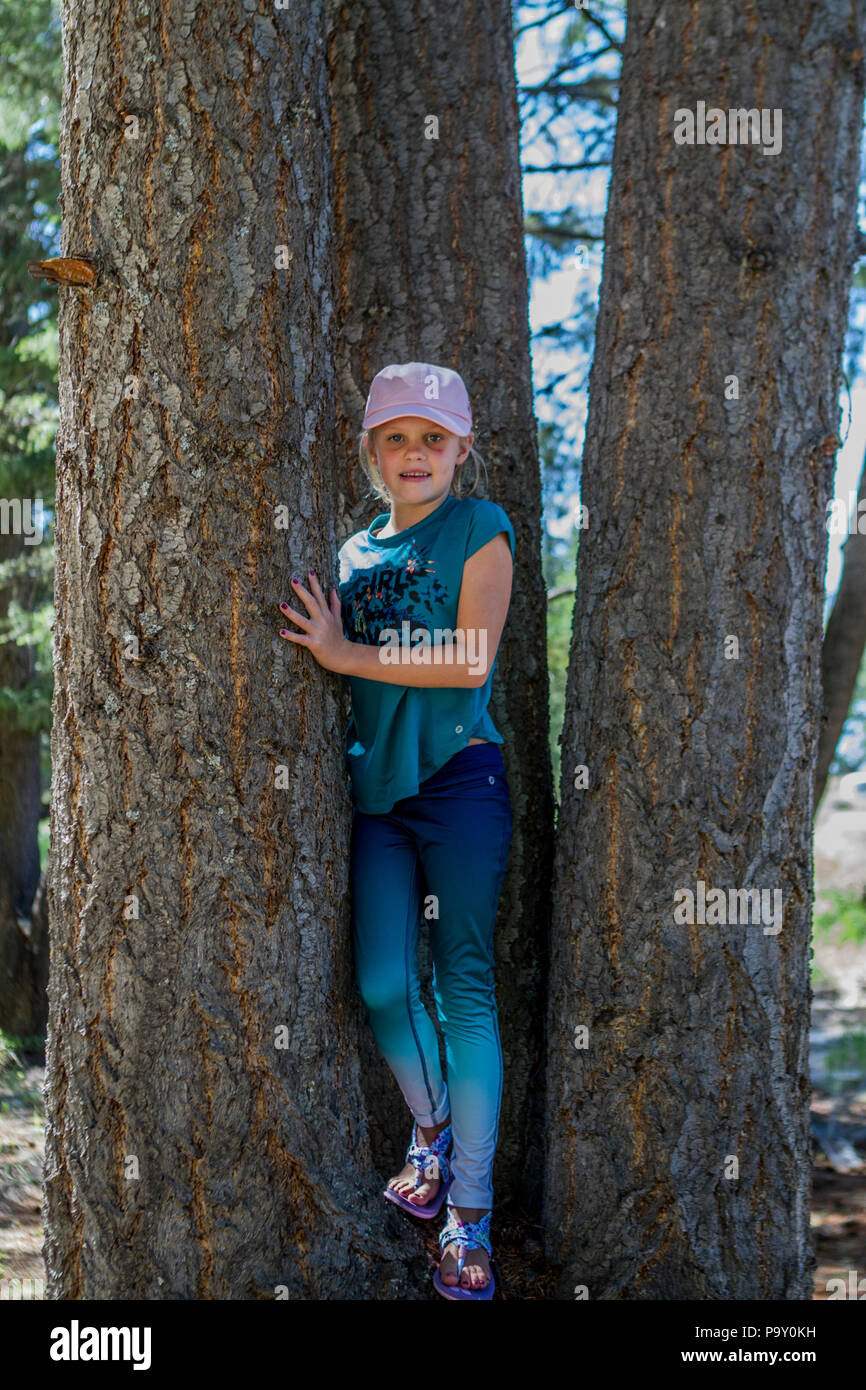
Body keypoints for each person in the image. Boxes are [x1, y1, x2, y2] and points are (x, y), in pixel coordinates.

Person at [277, 361, 514, 1300]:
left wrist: (344, 652)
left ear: (462, 449)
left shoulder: (479, 527)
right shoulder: (348, 554)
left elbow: (470, 660)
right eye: (397, 437)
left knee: (463, 986)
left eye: (434, 437)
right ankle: (430, 1132)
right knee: (381, 981)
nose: (416, 453)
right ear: (371, 450)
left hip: (461, 782)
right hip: (375, 792)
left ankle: (470, 1214)